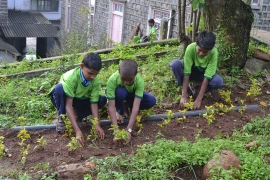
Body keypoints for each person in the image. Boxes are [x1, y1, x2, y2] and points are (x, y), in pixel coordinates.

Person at [49, 53, 107, 146]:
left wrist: (97, 124)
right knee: (59, 88)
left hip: (80, 100)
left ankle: (77, 115)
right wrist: (77, 131)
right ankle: (61, 118)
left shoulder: (95, 80)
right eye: (90, 73)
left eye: (95, 74)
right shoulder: (72, 77)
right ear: (82, 66)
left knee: (102, 100)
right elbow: (68, 105)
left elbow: (93, 102)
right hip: (63, 100)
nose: (92, 77)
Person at [170, 30, 223, 110]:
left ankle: (196, 87)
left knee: (218, 82)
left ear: (211, 49)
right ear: (196, 44)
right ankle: (187, 89)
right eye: (199, 50)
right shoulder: (190, 48)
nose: (201, 53)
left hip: (202, 75)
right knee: (175, 64)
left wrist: (199, 99)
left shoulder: (213, 53)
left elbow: (207, 77)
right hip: (191, 73)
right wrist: (184, 96)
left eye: (205, 52)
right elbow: (186, 72)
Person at [106, 60, 156, 142]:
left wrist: (128, 129)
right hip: (119, 96)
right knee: (120, 92)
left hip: (132, 96)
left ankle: (127, 105)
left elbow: (136, 106)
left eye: (130, 80)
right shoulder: (112, 80)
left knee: (151, 100)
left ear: (136, 74)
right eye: (123, 79)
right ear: (119, 71)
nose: (126, 82)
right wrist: (116, 130)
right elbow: (111, 106)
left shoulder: (139, 81)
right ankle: (120, 111)